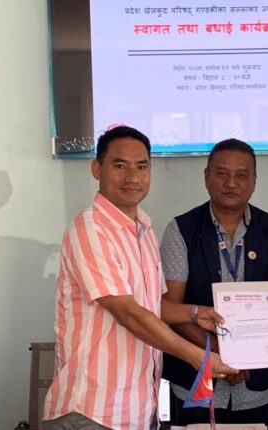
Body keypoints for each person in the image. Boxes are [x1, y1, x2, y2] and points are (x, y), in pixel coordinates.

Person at [42, 126, 237, 430]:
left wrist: (195, 313)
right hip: (92, 411)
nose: (132, 177)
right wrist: (199, 357)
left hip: (138, 408)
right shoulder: (90, 230)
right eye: (120, 165)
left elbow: (151, 306)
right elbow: (129, 314)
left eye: (142, 167)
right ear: (97, 169)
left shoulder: (143, 228)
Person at [160, 139, 268, 428]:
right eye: (222, 173)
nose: (231, 183)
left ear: (254, 180)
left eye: (241, 175)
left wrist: (244, 357)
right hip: (195, 377)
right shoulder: (180, 230)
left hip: (257, 381)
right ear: (206, 177)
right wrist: (222, 353)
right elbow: (171, 309)